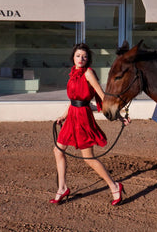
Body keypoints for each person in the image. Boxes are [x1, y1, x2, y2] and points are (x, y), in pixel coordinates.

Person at [50, 43, 130, 206]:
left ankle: (114, 186)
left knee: (89, 158)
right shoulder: (73, 73)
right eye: (78, 55)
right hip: (72, 116)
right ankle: (62, 187)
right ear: (73, 57)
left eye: (84, 57)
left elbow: (102, 97)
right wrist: (63, 116)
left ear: (88, 60)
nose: (81, 59)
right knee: (58, 150)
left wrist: (119, 116)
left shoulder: (88, 73)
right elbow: (73, 99)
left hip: (82, 119)